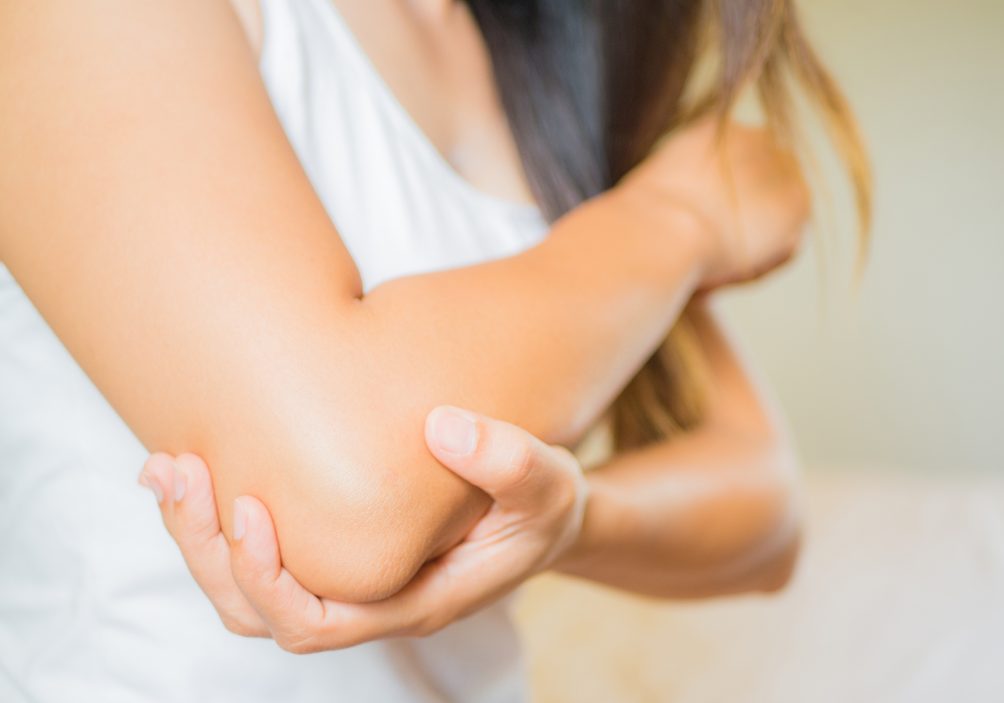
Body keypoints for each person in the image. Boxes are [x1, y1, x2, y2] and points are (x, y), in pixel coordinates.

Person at [0, 0, 869, 701]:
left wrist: (567, 520)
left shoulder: (544, 56)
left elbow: (764, 507)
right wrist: (682, 219)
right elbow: (352, 503)